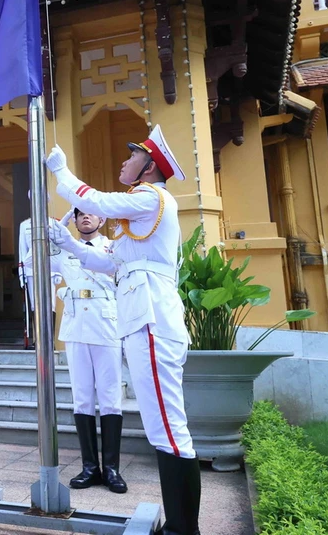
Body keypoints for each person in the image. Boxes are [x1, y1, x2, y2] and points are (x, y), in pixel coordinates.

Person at [45, 124, 200, 535]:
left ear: (149, 166)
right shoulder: (141, 217)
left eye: (132, 155)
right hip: (141, 322)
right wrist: (69, 244)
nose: (124, 160)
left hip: (150, 320)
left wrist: (62, 173)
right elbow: (108, 261)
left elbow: (97, 201)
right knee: (160, 425)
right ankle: (179, 526)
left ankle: (184, 529)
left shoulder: (150, 197)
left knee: (168, 427)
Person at [53, 208, 126, 494]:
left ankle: (111, 469)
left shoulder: (113, 246)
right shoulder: (63, 250)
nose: (85, 218)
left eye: (91, 214)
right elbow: (31, 262)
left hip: (106, 325)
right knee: (82, 398)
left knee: (110, 398)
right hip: (76, 326)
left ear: (102, 219)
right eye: (79, 214)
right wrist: (59, 229)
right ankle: (89, 467)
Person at [18, 191, 62, 345]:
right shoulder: (24, 225)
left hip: (50, 271)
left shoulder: (54, 223)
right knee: (34, 305)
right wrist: (21, 274)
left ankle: (49, 340)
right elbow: (22, 251)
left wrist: (58, 272)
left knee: (50, 305)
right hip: (31, 272)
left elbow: (58, 250)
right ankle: (38, 340)